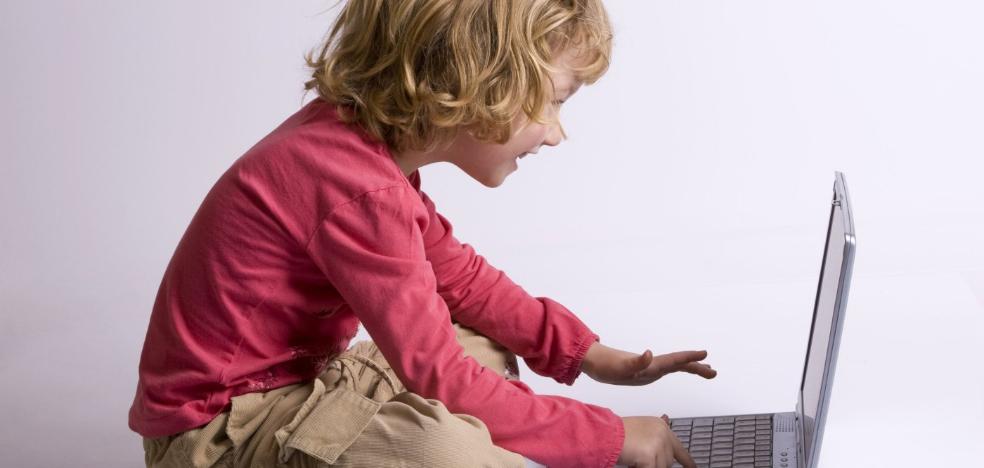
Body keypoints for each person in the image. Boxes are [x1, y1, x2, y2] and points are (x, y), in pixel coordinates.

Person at [128, 1, 717, 467]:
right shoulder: (355, 186)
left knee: (483, 344)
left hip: (296, 387)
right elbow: (436, 375)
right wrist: (612, 437)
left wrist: (590, 355)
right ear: (480, 77)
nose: (558, 134)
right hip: (219, 439)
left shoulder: (363, 156)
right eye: (555, 102)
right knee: (448, 451)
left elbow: (460, 279)